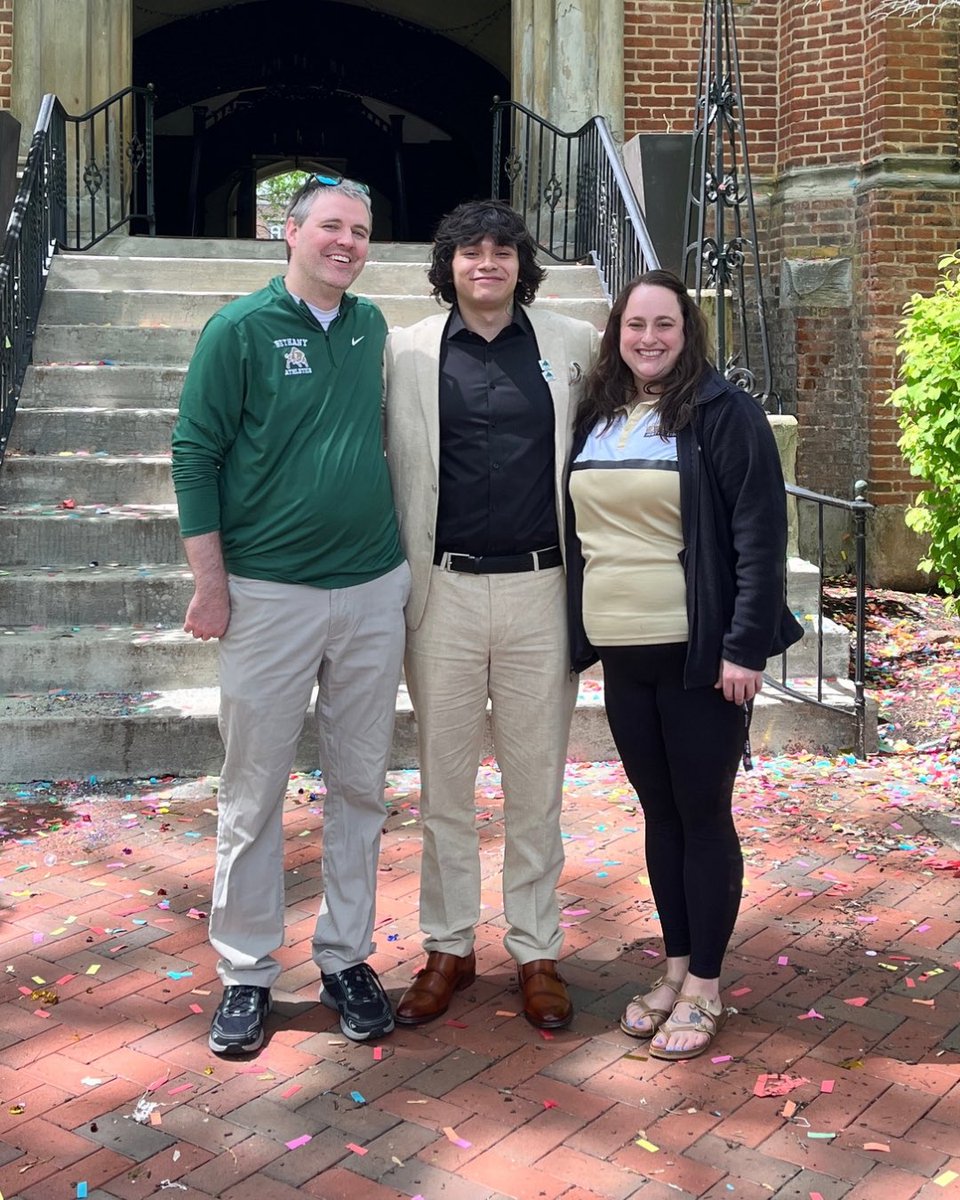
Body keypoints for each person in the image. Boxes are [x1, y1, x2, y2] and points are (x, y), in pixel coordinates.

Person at [171, 174, 410, 1055]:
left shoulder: (371, 326)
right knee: (254, 788)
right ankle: (245, 972)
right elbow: (195, 454)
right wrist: (211, 582)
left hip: (371, 591)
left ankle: (347, 956)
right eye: (331, 227)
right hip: (269, 597)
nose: (346, 242)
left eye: (360, 231)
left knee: (359, 788)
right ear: (291, 232)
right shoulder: (239, 330)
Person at [566, 270, 803, 1060]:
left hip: (698, 655)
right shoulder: (599, 414)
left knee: (703, 817)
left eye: (664, 325)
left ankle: (705, 984)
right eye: (636, 325)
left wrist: (743, 646)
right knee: (660, 815)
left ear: (687, 331)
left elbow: (760, 534)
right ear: (617, 332)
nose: (649, 339)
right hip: (623, 655)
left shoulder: (721, 414)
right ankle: (672, 968)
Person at [384, 199, 600, 1029]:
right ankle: (448, 947)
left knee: (536, 783)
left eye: (502, 251)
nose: (487, 264)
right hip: (439, 592)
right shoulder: (403, 351)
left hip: (541, 591)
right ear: (448, 266)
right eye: (470, 251)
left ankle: (537, 947)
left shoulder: (572, 345)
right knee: (443, 785)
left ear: (521, 263)